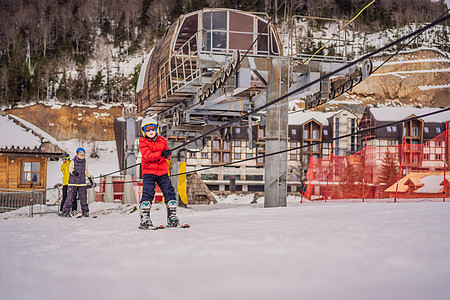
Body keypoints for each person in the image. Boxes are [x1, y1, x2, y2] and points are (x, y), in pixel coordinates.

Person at [138, 116, 179, 229]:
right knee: (148, 193)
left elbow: (168, 154)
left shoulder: (162, 140)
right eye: (147, 129)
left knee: (169, 191)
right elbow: (148, 156)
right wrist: (161, 154)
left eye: (153, 128)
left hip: (162, 172)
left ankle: (172, 217)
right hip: (149, 173)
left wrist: (167, 153)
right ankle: (144, 218)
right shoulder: (143, 142)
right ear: (143, 131)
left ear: (156, 129)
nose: (151, 131)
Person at [61, 147, 94, 218]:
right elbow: (70, 169)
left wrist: (89, 178)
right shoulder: (73, 161)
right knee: (70, 198)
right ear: (77, 154)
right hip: (73, 183)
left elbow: (86, 171)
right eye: (80, 153)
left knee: (83, 198)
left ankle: (85, 212)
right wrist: (74, 172)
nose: (82, 155)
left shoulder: (85, 162)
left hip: (82, 183)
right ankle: (65, 212)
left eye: (83, 154)